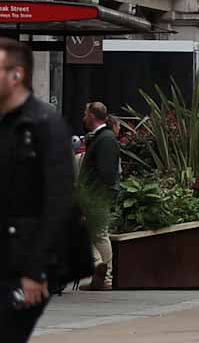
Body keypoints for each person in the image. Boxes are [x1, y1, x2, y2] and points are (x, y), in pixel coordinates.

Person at [2, 38, 76, 342]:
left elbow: (58, 202)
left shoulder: (45, 125)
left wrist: (35, 270)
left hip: (25, 262)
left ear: (16, 75)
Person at [77, 103, 118, 291]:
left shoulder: (106, 139)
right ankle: (101, 275)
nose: (83, 117)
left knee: (96, 234)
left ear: (93, 116)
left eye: (85, 114)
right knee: (92, 234)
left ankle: (104, 273)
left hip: (96, 197)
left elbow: (106, 173)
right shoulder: (99, 138)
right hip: (92, 196)